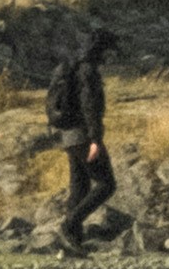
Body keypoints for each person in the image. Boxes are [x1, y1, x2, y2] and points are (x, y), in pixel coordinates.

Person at [42, 17, 121, 250]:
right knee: (107, 185)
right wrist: (95, 139)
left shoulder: (73, 67)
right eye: (108, 51)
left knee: (80, 187)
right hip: (82, 136)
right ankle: (70, 225)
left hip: (67, 137)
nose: (110, 56)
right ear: (100, 50)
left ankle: (72, 242)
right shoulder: (88, 71)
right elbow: (90, 108)